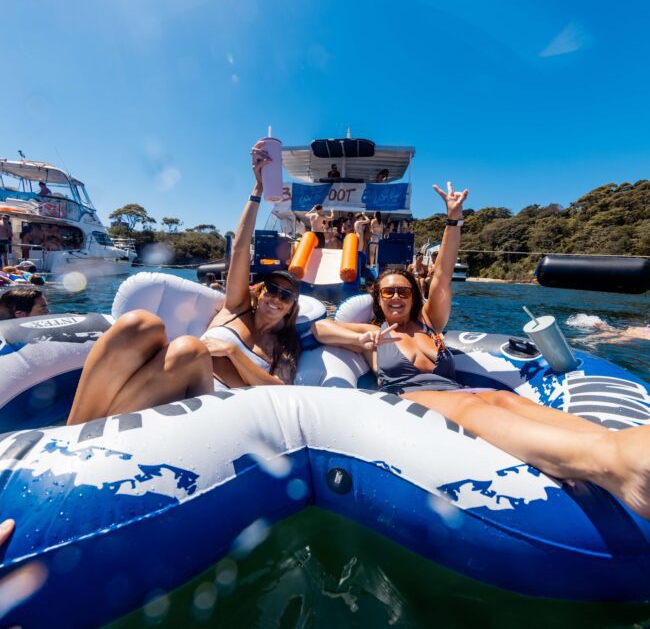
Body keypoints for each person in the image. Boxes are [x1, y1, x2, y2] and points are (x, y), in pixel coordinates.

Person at [312, 181, 650, 520]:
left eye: (403, 290)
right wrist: (359, 341)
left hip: (462, 392)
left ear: (414, 295)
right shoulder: (374, 331)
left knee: (505, 400)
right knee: (470, 404)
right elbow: (320, 328)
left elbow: (442, 275)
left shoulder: (431, 323)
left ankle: (620, 442)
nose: (396, 297)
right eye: (388, 293)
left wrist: (453, 220)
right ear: (378, 300)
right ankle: (608, 462)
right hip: (412, 401)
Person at [67, 145, 301, 425]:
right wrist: (258, 190)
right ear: (260, 293)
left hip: (212, 408)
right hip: (169, 384)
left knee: (191, 350)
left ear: (290, 309)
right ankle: (74, 431)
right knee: (139, 324)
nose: (277, 298)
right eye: (272, 290)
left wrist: (233, 353)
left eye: (286, 296)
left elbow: (281, 392)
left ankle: (95, 430)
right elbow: (239, 250)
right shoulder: (237, 308)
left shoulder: (283, 346)